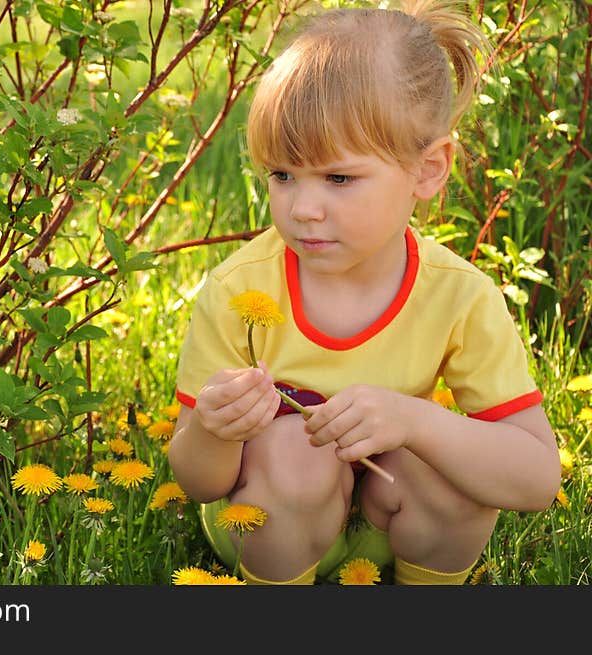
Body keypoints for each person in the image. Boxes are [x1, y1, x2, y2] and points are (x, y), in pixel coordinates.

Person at [167, 0, 560, 585]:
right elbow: (199, 481)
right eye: (282, 175)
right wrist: (212, 430)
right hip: (264, 521)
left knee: (451, 463)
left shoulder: (458, 297)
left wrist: (415, 422)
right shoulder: (240, 288)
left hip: (385, 529)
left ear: (428, 171)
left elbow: (536, 478)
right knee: (294, 452)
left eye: (339, 178)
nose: (303, 209)